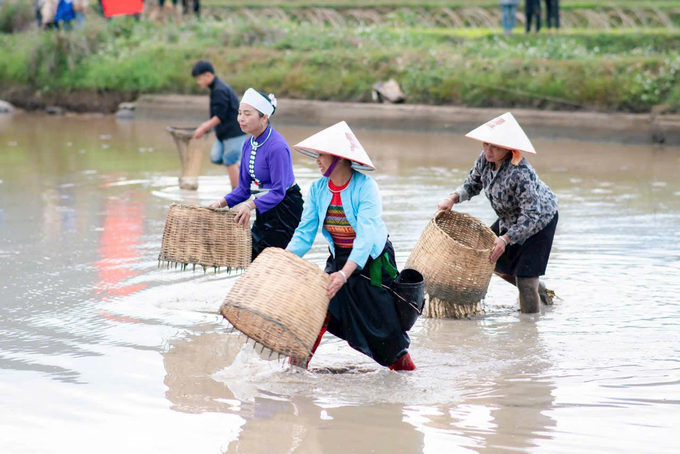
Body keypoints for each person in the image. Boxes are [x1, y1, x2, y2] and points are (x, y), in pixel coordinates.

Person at [286, 121, 416, 371]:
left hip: (371, 263)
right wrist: (284, 260)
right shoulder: (317, 188)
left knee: (385, 330)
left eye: (322, 155)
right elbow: (305, 232)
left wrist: (345, 274)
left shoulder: (366, 188)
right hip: (339, 258)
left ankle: (405, 373)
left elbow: (366, 238)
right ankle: (296, 368)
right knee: (319, 307)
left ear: (340, 159)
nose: (317, 160)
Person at [437, 113, 558, 314]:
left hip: (539, 222)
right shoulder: (485, 160)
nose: (488, 150)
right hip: (509, 219)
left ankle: (529, 327)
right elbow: (472, 184)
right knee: (489, 260)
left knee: (526, 282)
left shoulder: (521, 173)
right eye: (486, 144)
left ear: (509, 149)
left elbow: (531, 216)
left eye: (495, 147)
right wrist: (453, 198)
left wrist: (506, 238)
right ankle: (540, 290)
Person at [208, 88, 303, 260]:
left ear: (264, 117)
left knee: (267, 260)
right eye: (239, 113)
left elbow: (278, 192)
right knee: (251, 256)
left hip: (286, 207)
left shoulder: (277, 147)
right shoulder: (248, 144)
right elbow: (243, 189)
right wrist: (219, 203)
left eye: (247, 113)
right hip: (263, 205)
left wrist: (249, 205)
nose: (240, 118)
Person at [191, 60, 245, 190]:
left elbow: (219, 117)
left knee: (229, 161)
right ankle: (240, 169)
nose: (198, 82)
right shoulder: (215, 88)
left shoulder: (219, 90)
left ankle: (237, 192)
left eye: (199, 78)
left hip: (234, 132)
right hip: (223, 133)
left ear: (208, 75)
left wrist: (203, 128)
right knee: (216, 157)